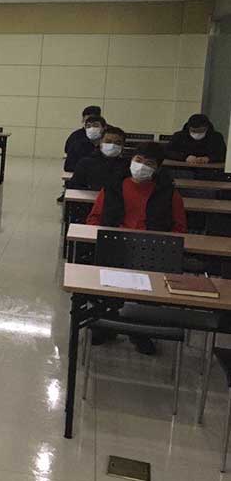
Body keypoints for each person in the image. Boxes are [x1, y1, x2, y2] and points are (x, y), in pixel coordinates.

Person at [84, 142, 187, 355]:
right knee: (108, 281)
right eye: (138, 160)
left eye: (149, 163)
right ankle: (107, 323)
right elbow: (94, 218)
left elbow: (179, 229)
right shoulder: (113, 187)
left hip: (152, 252)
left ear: (158, 168)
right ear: (131, 161)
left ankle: (141, 331)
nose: (142, 166)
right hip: (116, 246)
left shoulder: (169, 194)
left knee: (147, 288)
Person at [67, 124, 129, 191]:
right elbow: (74, 187)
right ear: (100, 142)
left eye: (118, 143)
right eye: (108, 142)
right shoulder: (86, 163)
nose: (112, 145)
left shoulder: (127, 166)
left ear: (123, 146)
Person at [63, 106, 103, 172]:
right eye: (88, 123)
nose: (92, 128)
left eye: (95, 124)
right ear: (83, 120)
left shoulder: (110, 135)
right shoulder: (75, 137)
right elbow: (69, 164)